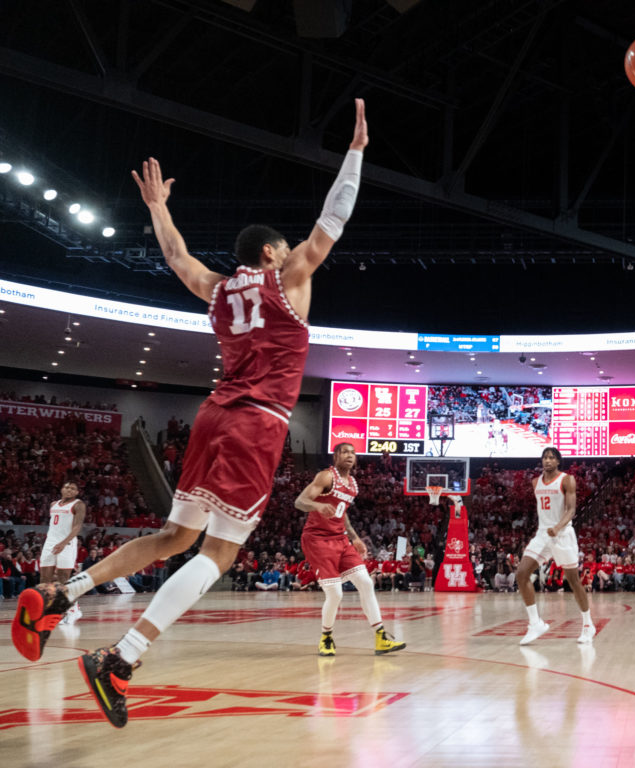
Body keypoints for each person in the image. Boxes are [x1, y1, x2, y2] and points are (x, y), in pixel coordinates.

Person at [9, 99, 370, 728]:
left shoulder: (219, 290)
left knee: (174, 537)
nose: (293, 253)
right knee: (219, 554)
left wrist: (157, 207)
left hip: (212, 416)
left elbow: (178, 259)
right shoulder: (289, 280)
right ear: (270, 254)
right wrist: (356, 153)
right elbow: (331, 219)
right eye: (285, 249)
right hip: (258, 424)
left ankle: (61, 594)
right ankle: (121, 659)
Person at [295, 442, 405, 657]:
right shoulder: (326, 477)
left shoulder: (353, 484)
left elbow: (342, 512)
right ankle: (326, 637)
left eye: (352, 452)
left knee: (365, 582)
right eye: (344, 452)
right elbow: (300, 501)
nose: (349, 455)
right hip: (317, 539)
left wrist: (354, 537)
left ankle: (381, 638)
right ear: (336, 456)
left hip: (340, 539)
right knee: (335, 594)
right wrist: (317, 505)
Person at [515, 447, 595, 645]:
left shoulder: (567, 480)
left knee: (573, 581)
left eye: (551, 457)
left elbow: (571, 509)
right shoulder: (535, 482)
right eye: (544, 457)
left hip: (563, 534)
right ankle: (535, 623)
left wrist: (558, 527)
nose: (547, 460)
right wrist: (549, 529)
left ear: (558, 461)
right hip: (543, 534)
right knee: (522, 573)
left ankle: (587, 624)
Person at [40, 481, 87, 625]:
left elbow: (77, 527)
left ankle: (73, 609)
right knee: (44, 579)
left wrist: (63, 542)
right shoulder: (53, 504)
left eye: (73, 488)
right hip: (50, 543)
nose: (69, 490)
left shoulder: (78, 505)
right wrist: (54, 542)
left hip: (67, 544)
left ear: (77, 492)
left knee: (63, 579)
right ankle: (50, 610)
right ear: (61, 489)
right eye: (66, 487)